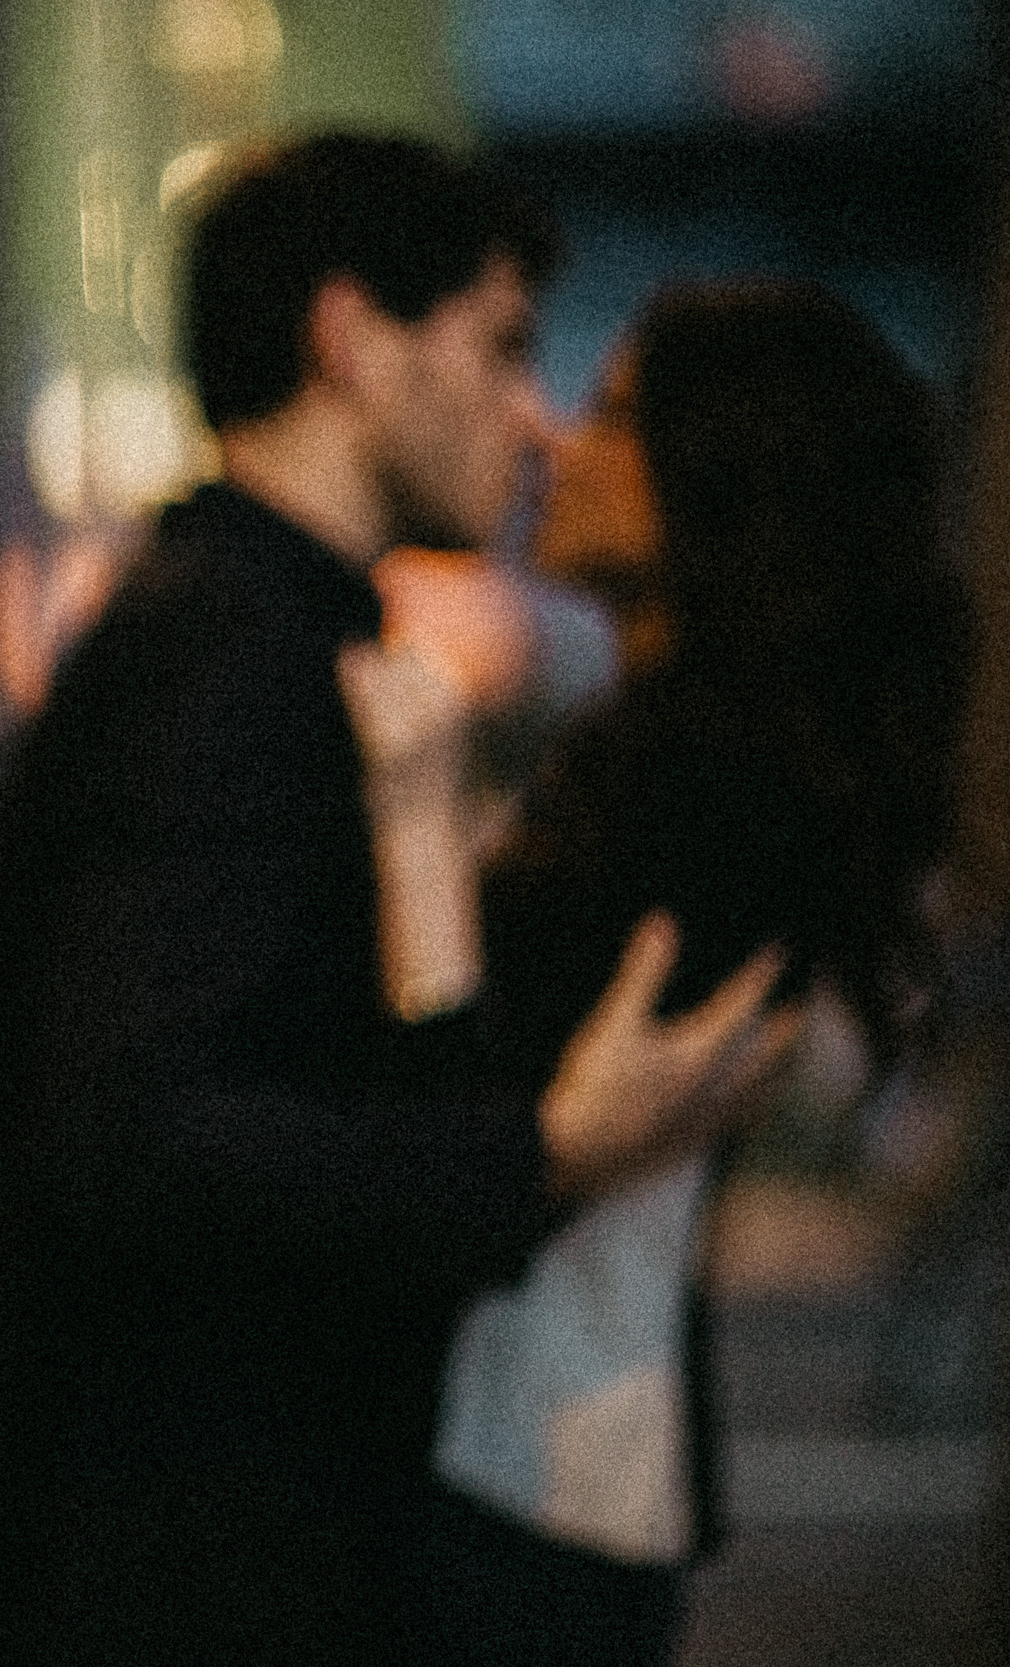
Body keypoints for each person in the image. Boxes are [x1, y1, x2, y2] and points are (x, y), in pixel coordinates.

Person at [0, 134, 790, 1665]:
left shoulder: (274, 629)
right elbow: (135, 1131)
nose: (532, 419)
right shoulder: (232, 659)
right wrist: (539, 1151)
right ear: (351, 339)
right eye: (502, 346)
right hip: (194, 1561)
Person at [419, 280, 975, 1665]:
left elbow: (451, 1097)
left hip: (519, 1457)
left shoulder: (695, 785)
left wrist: (407, 812)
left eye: (612, 415)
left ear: (720, 482)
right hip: (583, 1441)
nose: (554, 439)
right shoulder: (721, 760)